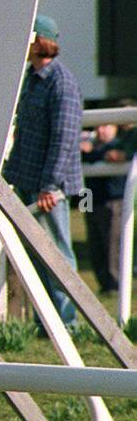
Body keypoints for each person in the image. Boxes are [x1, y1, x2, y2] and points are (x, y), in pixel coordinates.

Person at [1, 14, 83, 326]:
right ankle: (47, 322)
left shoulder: (61, 83)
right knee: (37, 255)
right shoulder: (33, 78)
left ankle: (68, 321)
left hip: (47, 187)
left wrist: (50, 186)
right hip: (28, 180)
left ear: (39, 42)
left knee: (57, 255)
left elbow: (64, 138)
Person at [80, 118, 137, 294]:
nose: (101, 130)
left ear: (115, 128)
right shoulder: (91, 146)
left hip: (112, 200)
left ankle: (116, 284)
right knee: (95, 244)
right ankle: (105, 283)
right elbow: (86, 157)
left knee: (113, 243)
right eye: (99, 126)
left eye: (106, 126)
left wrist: (95, 153)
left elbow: (113, 155)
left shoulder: (120, 144)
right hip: (90, 199)